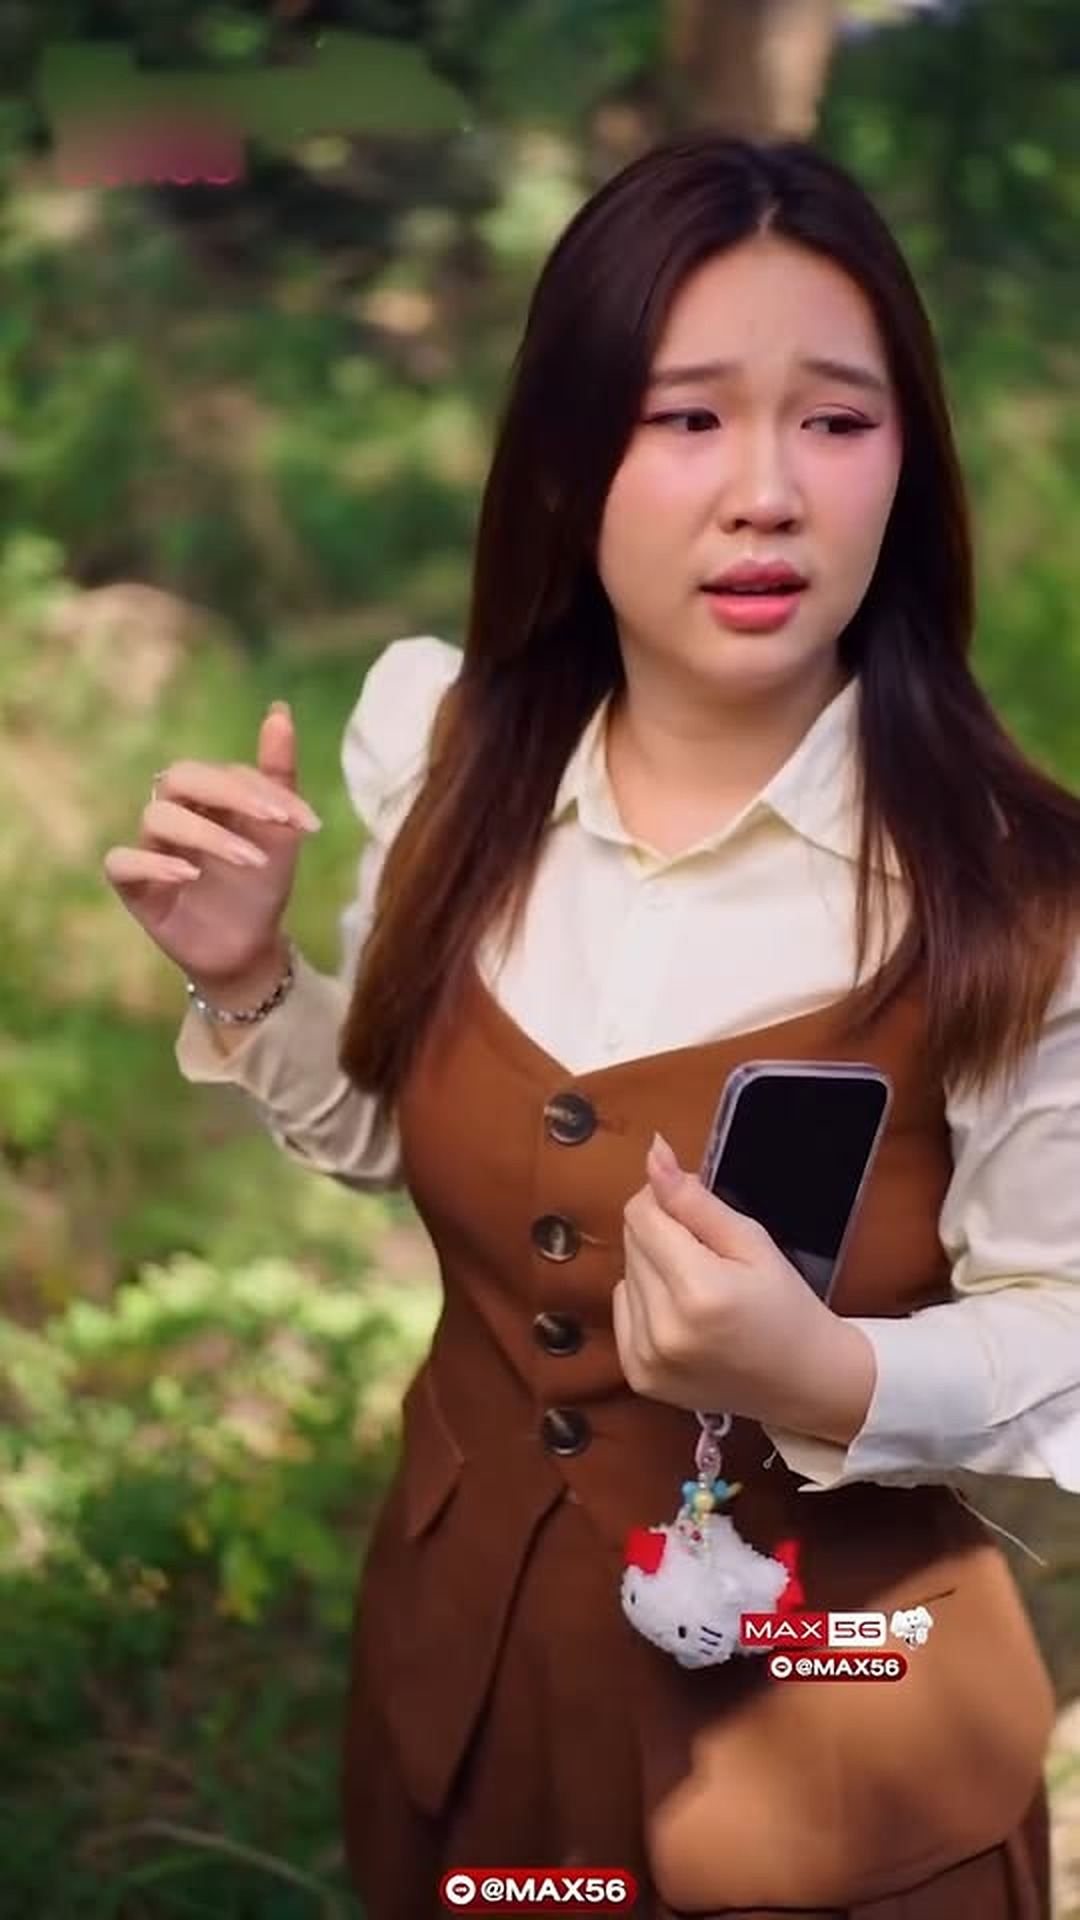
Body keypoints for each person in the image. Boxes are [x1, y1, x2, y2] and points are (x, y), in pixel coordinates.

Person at [102, 134, 1080, 1918]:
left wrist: (826, 1377)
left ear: (908, 463)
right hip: (472, 1686)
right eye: (684, 416)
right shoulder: (445, 747)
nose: (765, 493)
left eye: (836, 420)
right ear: (564, 458)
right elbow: (408, 1130)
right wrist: (248, 980)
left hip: (834, 1730)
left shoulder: (1015, 896)